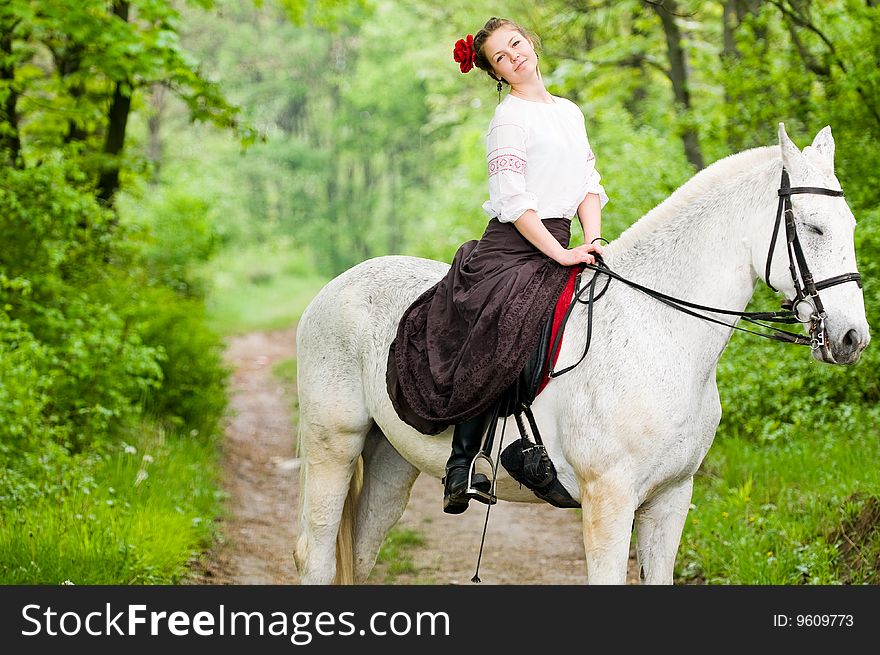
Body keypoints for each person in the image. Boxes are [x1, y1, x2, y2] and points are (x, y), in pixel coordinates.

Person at [386, 17, 608, 514]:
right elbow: (513, 201)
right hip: (513, 246)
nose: (515, 56)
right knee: (501, 326)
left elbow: (588, 184)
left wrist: (591, 240)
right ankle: (462, 464)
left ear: (530, 41)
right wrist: (561, 254)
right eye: (501, 58)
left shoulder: (569, 112)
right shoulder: (509, 118)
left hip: (566, 239)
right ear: (497, 73)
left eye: (516, 44)